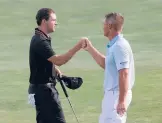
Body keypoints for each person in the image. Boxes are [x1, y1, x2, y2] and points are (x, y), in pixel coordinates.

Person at [28, 8, 86, 123]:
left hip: (40, 91)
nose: (56, 23)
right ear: (44, 21)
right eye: (53, 20)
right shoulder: (40, 41)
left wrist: (55, 69)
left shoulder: (40, 37)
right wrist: (78, 46)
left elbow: (45, 61)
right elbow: (59, 60)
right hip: (44, 93)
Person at [82, 12, 135, 123]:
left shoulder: (120, 46)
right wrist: (90, 48)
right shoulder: (113, 45)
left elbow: (124, 73)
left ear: (110, 26)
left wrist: (121, 100)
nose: (103, 27)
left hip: (117, 95)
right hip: (110, 95)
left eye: (104, 24)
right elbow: (106, 64)